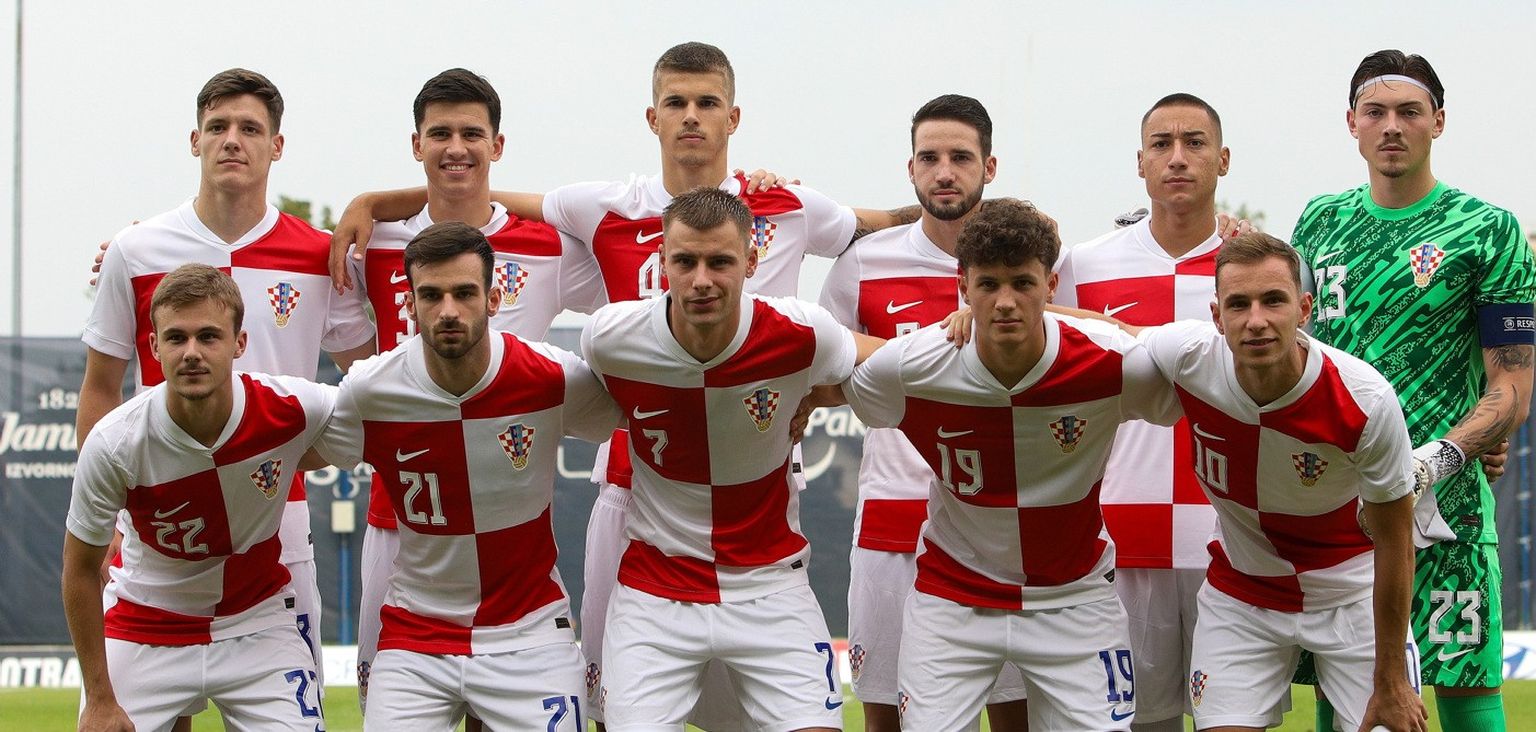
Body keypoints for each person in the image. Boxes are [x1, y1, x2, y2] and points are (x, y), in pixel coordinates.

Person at [328, 42, 911, 729]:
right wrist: (375, 200)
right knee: (613, 702)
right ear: (651, 116)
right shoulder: (604, 211)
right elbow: (477, 193)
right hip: (630, 493)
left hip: (759, 492)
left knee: (753, 712)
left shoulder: (783, 204)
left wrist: (816, 388)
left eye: (707, 103)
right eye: (676, 102)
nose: (691, 116)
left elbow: (881, 227)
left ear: (734, 118)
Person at [77, 68, 375, 717]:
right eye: (217, 126)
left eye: (250, 128)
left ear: (277, 145)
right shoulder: (136, 248)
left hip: (278, 515)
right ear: (195, 140)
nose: (232, 140)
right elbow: (99, 389)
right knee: (157, 703)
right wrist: (105, 521)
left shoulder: (320, 256)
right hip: (162, 514)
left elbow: (369, 380)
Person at [839, 198, 1178, 730]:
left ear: (1051, 285)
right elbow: (830, 378)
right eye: (988, 285)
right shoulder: (914, 365)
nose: (1004, 302)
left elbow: (1200, 372)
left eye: (1022, 283)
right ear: (962, 286)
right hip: (952, 601)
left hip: (1074, 600)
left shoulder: (1111, 361)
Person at [345, 67, 603, 714]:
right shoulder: (371, 244)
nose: (455, 148)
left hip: (510, 515)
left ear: (498, 145)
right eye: (440, 134)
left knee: (504, 699)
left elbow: (650, 280)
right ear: (416, 145)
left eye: (471, 134)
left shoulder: (549, 248)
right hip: (402, 520)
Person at [1291, 49, 1535, 732]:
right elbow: (1290, 352)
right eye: (1375, 111)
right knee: (1350, 699)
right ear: (1352, 122)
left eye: (1409, 111)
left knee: (1466, 692)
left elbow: (1513, 383)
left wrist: (1442, 456)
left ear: (1439, 121)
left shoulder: (1488, 230)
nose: (1392, 126)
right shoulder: (1319, 223)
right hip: (1341, 506)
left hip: (1448, 507)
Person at [581, 187, 879, 730]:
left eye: (720, 262)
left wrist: (814, 394)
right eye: (685, 262)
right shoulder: (610, 339)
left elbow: (883, 365)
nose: (701, 280)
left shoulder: (802, 332)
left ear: (751, 261)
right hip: (655, 593)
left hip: (771, 586)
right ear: (661, 262)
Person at [316, 222, 617, 729]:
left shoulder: (553, 376)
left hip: (529, 634)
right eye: (431, 296)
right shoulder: (370, 390)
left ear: (494, 299)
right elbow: (298, 448)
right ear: (409, 305)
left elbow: (642, 410)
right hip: (416, 637)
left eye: (464, 293)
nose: (449, 310)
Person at [1135, 233, 1425, 732]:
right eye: (1238, 304)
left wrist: (1392, 679)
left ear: (1304, 309)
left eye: (1273, 300)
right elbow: (1111, 336)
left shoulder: (1365, 399)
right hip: (1242, 595)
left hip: (1352, 597)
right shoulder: (1188, 356)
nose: (1256, 320)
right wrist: (1021, 314)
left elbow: (1397, 546)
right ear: (1216, 316)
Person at [817, 93, 1027, 731]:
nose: (944, 172)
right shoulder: (863, 263)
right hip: (893, 519)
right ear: (910, 169)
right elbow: (825, 368)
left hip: (1001, 527)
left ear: (989, 167)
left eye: (960, 157)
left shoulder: (1028, 264)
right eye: (929, 158)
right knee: (886, 713)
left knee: (1015, 715)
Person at [63, 264, 335, 731]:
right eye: (176, 338)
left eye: (209, 336)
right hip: (146, 625)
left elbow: (381, 412)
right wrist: (100, 699)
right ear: (154, 347)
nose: (192, 353)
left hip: (258, 623)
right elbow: (79, 570)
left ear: (239, 343)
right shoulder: (114, 442)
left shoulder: (295, 406)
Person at [1052, 92, 1229, 732]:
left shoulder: (1256, 267)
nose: (1177, 158)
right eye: (1162, 144)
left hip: (1230, 537)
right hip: (1122, 534)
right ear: (1140, 162)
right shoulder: (1085, 263)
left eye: (1194, 143)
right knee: (1141, 722)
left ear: (1223, 159)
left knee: (1232, 719)